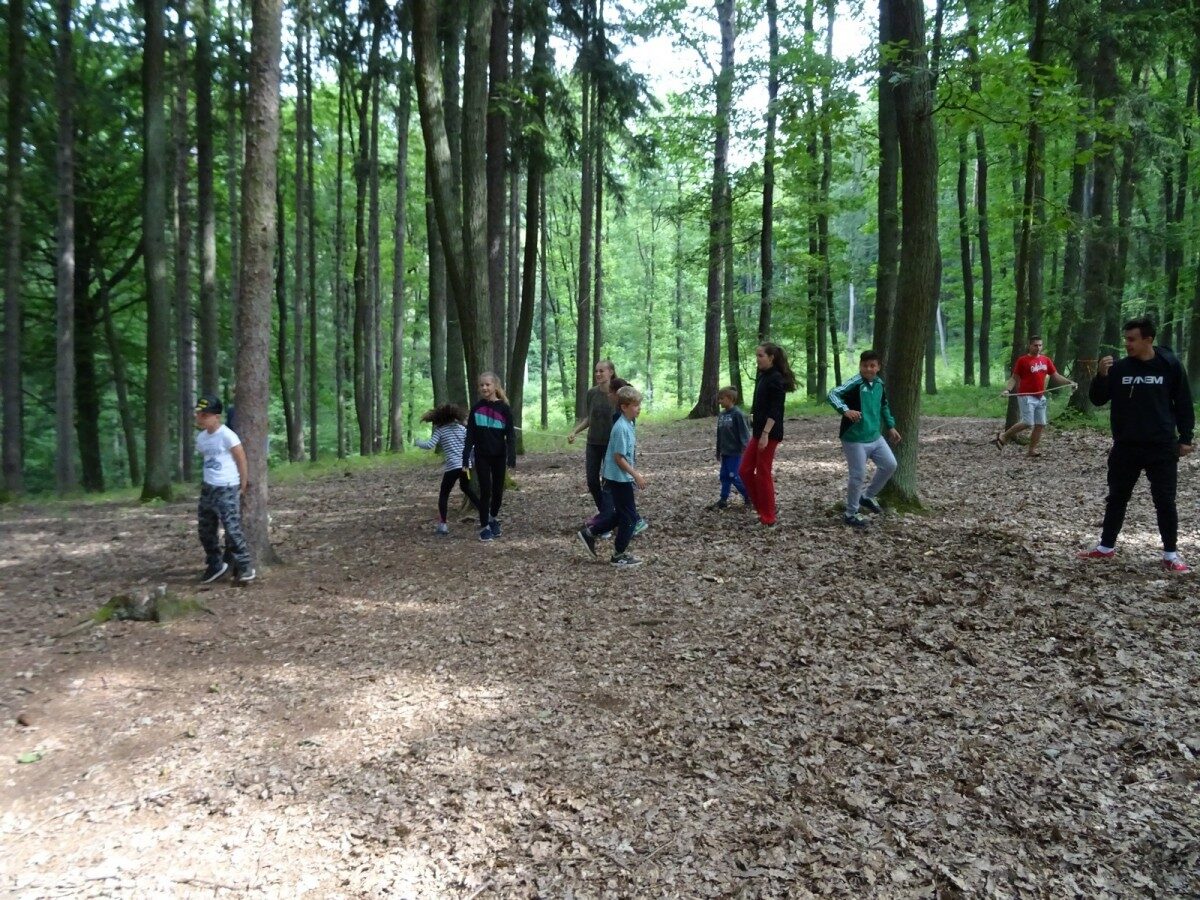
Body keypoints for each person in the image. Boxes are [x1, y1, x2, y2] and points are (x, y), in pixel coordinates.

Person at [1078, 316, 1194, 572]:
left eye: (1132, 339)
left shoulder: (1169, 365)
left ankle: (1171, 554)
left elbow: (1183, 402)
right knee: (1117, 497)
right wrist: (1101, 376)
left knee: (1165, 501)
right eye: (1126, 339)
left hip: (1161, 446)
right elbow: (1098, 399)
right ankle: (1106, 547)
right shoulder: (1120, 368)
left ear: (1148, 340)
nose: (1127, 344)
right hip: (1126, 446)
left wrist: (1186, 437)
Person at [827, 350, 902, 529]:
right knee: (858, 475)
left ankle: (867, 496)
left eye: (872, 366)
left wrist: (891, 426)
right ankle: (851, 513)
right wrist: (845, 410)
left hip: (875, 436)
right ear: (860, 366)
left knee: (890, 465)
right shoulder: (855, 383)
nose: (868, 369)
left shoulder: (879, 384)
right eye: (864, 365)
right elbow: (832, 394)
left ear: (878, 367)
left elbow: (884, 406)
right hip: (854, 438)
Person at [577, 385, 646, 568]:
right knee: (630, 518)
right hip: (619, 478)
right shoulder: (621, 427)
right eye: (635, 405)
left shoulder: (629, 424)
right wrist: (636, 475)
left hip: (619, 477)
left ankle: (590, 533)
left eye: (639, 405)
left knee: (622, 514)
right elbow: (618, 458)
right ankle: (618, 555)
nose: (638, 408)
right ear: (624, 407)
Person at [194, 394, 255, 584]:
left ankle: (245, 566)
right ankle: (215, 564)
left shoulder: (227, 435)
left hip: (226, 487)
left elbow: (241, 458)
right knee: (205, 529)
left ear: (216, 416)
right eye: (199, 414)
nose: (200, 418)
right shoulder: (201, 438)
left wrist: (243, 482)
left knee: (231, 528)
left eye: (205, 415)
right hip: (208, 487)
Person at [739, 342, 797, 527]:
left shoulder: (776, 378)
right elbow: (760, 402)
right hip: (758, 431)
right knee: (744, 470)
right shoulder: (763, 375)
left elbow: (776, 410)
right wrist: (753, 415)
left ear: (771, 358)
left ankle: (768, 516)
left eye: (760, 356)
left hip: (769, 433)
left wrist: (765, 433)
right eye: (757, 355)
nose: (757, 359)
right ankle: (762, 508)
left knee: (763, 472)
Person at [993, 336, 1076, 457]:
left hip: (1040, 397)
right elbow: (1014, 378)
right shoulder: (1022, 360)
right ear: (1029, 346)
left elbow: (1056, 376)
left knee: (1040, 424)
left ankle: (1031, 450)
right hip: (1026, 396)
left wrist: (1070, 382)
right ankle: (1004, 436)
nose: (1038, 348)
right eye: (1035, 345)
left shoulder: (1046, 360)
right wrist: (1007, 390)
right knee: (1028, 422)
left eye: (1040, 345)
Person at [462, 371, 516, 542]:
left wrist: (512, 455)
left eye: (488, 384)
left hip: (499, 455)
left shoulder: (504, 408)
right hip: (482, 455)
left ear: (495, 386)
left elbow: (510, 434)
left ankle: (492, 518)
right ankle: (484, 526)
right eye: (481, 385)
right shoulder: (476, 409)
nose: (484, 388)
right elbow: (470, 435)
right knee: (486, 490)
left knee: (498, 492)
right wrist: (465, 457)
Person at [415, 404, 483, 536]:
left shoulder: (440, 431)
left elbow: (429, 445)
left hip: (452, 467)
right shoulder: (462, 429)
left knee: (444, 494)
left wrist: (417, 442)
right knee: (466, 488)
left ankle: (443, 525)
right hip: (465, 467)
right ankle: (484, 514)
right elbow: (472, 445)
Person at [568, 360, 617, 519]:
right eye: (596, 371)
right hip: (593, 443)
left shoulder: (618, 393)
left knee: (608, 482)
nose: (598, 374)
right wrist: (575, 431)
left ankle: (608, 518)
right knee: (592, 481)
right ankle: (606, 515)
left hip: (611, 445)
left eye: (601, 371)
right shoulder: (591, 393)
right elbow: (589, 418)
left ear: (611, 372)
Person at [710, 386, 750, 510]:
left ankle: (749, 496)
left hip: (736, 452)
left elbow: (744, 433)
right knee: (724, 476)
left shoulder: (738, 414)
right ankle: (723, 499)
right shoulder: (722, 415)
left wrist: (746, 448)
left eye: (722, 399)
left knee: (734, 475)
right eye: (719, 399)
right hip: (725, 452)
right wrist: (718, 450)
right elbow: (720, 434)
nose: (719, 401)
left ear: (730, 398)